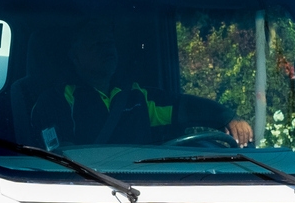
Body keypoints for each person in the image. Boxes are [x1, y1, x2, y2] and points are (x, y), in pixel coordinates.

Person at [30, 21, 253, 149]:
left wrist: (227, 116)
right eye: (96, 44)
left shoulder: (136, 96)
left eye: (109, 43)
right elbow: (61, 157)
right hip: (90, 191)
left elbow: (184, 106)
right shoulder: (55, 99)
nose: (106, 49)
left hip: (144, 185)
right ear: (74, 55)